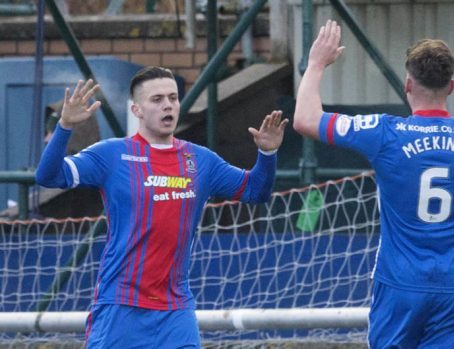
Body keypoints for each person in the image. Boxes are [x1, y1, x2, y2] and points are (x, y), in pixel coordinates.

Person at [293, 14, 454, 349]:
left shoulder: (384, 133)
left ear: (408, 84)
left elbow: (305, 119)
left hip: (399, 283)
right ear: (451, 86)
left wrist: (316, 64)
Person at [35, 66, 288, 348]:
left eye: (173, 97)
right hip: (122, 306)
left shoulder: (201, 160)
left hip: (175, 310)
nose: (168, 105)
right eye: (157, 100)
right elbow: (48, 176)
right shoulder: (111, 154)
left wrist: (267, 153)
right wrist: (64, 127)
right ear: (137, 110)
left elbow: (256, 191)